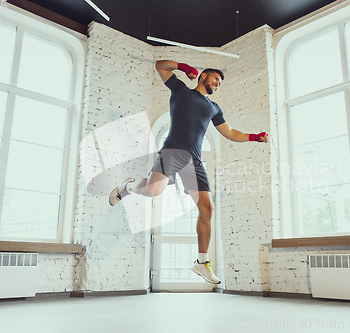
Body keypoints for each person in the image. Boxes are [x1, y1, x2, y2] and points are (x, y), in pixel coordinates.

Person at [109, 60, 268, 284]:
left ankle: (202, 263)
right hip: (174, 151)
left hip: (194, 160)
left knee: (207, 208)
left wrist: (254, 137)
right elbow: (160, 66)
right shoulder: (181, 91)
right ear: (203, 76)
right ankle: (127, 187)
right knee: (154, 190)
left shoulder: (214, 108)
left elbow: (230, 132)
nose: (217, 83)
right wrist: (183, 67)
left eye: (220, 82)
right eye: (215, 78)